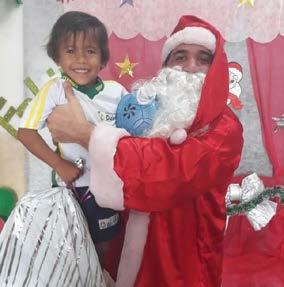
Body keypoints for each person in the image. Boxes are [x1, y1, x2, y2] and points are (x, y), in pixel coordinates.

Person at [47, 15, 244, 287]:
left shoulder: (224, 128)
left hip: (183, 260)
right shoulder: (142, 109)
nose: (190, 67)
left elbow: (167, 171)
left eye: (203, 58)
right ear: (166, 65)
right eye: (180, 57)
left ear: (217, 67)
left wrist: (85, 133)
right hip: (128, 248)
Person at [17, 11, 127, 264]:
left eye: (90, 51)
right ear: (56, 56)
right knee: (72, 249)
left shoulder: (117, 92)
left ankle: (99, 278)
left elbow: (131, 138)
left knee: (104, 247)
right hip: (74, 188)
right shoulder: (55, 90)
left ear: (102, 58)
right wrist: (59, 165)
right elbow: (25, 132)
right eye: (70, 51)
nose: (80, 59)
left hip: (110, 188)